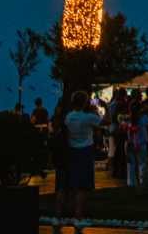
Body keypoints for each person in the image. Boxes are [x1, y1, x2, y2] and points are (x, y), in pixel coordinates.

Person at [57, 91, 103, 227]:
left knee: (64, 186)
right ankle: (78, 218)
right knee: (82, 187)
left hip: (71, 151)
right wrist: (103, 108)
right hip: (85, 151)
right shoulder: (88, 117)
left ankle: (58, 217)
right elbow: (107, 121)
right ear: (85, 102)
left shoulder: (69, 117)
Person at [123, 101, 148, 187]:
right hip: (141, 144)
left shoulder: (128, 120)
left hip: (130, 143)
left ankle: (131, 182)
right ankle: (142, 181)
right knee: (142, 163)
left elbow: (122, 127)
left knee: (131, 163)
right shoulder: (144, 118)